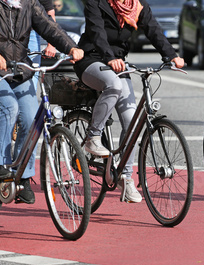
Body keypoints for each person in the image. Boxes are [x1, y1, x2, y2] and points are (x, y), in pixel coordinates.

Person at [73, 0, 184, 203]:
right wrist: (108, 57)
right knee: (113, 85)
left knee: (131, 122)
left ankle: (126, 177)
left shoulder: (137, 6)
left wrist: (171, 55)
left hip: (118, 64)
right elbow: (96, 32)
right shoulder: (95, 2)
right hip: (91, 60)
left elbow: (154, 30)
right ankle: (93, 136)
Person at [0, 0, 84, 204]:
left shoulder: (28, 3)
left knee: (31, 117)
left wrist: (71, 47)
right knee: (9, 106)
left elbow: (49, 27)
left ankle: (22, 176)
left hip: (16, 70)